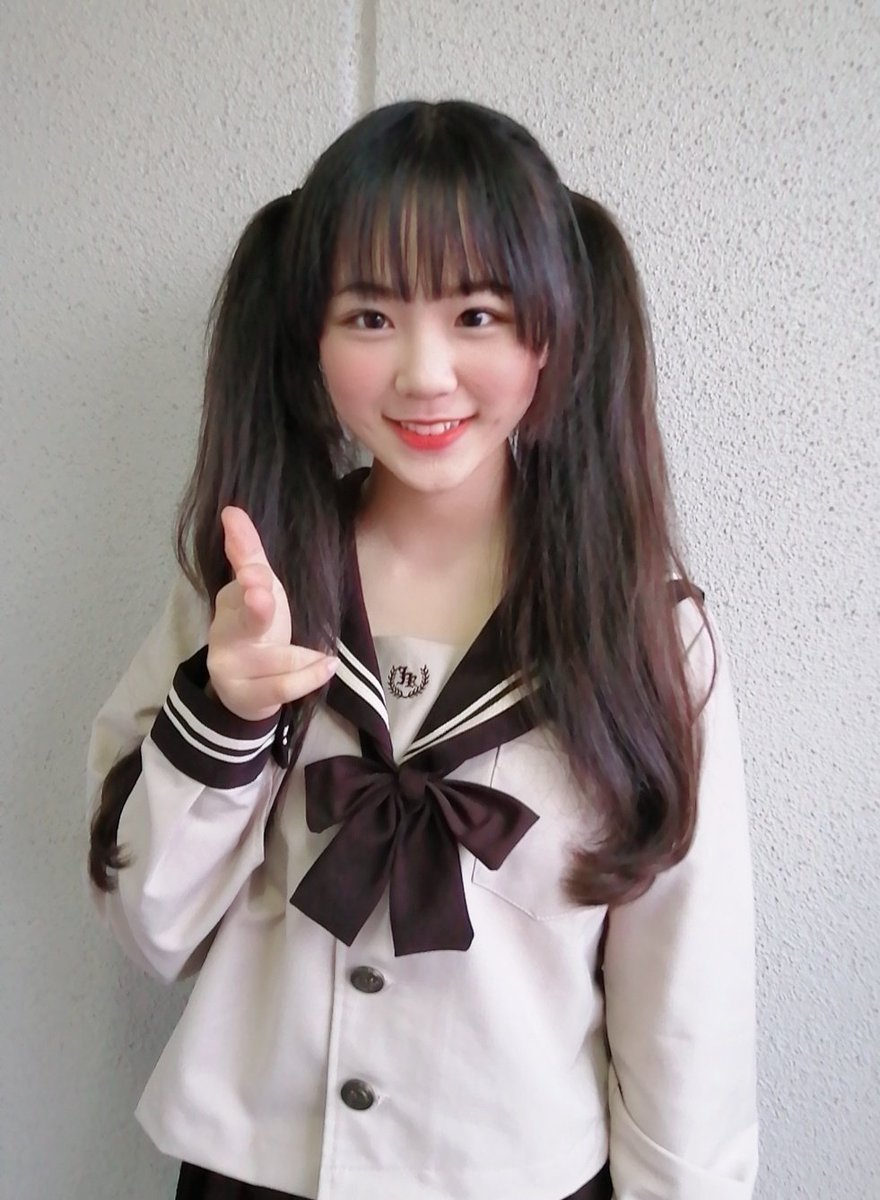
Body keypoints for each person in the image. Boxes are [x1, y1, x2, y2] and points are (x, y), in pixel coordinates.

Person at [87, 99, 758, 1200]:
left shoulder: (648, 633)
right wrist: (226, 717)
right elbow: (148, 921)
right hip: (252, 1175)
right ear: (309, 336)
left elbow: (690, 1000)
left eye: (478, 314)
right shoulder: (246, 596)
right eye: (369, 316)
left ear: (552, 332)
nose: (425, 372)